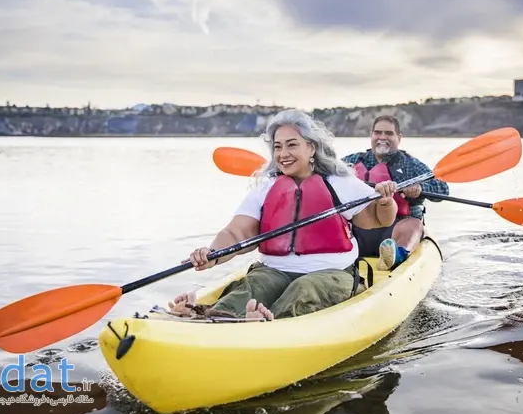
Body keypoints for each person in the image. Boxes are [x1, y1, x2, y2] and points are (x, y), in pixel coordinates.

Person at [168, 109, 399, 322]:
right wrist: (213, 254)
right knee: (252, 287)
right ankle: (205, 316)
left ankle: (264, 323)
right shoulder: (266, 188)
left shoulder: (340, 182)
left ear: (311, 148)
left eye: (291, 145)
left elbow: (378, 219)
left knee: (304, 289)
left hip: (330, 273)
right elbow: (237, 231)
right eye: (277, 147)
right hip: (274, 271)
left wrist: (386, 201)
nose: (283, 154)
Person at [341, 115, 449, 271]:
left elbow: (442, 188)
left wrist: (420, 189)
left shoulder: (411, 165)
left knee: (414, 224)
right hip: (359, 229)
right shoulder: (353, 161)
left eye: (389, 133)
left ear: (399, 138)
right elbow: (326, 174)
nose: (382, 137)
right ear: (371, 135)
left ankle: (398, 253)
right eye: (378, 133)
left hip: (396, 229)